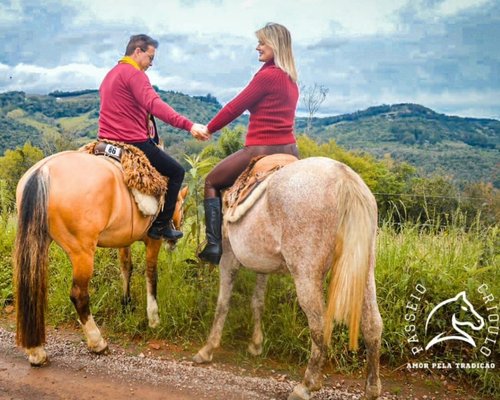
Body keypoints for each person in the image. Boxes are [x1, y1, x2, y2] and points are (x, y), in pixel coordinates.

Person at [198, 23, 300, 264]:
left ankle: (213, 246)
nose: (258, 47)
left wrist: (209, 128)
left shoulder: (267, 77)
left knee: (211, 181)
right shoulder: (291, 79)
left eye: (262, 43)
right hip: (291, 152)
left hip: (261, 151)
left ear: (275, 45)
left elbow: (235, 106)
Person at [98, 34, 209, 241]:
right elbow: (155, 105)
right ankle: (161, 226)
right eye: (150, 57)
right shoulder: (135, 74)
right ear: (137, 51)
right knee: (176, 172)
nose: (151, 63)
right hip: (132, 142)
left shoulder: (110, 75)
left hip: (104, 141)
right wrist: (188, 125)